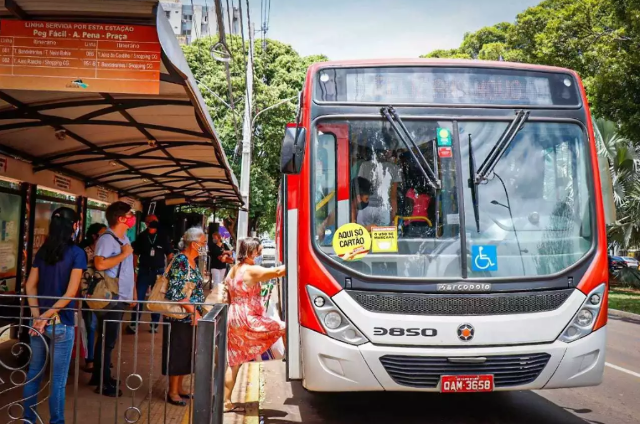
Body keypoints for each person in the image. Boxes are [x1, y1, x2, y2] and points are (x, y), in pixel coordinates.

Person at [23, 207, 87, 424]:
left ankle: (28, 420)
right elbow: (70, 293)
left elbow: (29, 285)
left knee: (34, 375)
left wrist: (37, 316)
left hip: (38, 325)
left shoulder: (42, 251)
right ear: (75, 226)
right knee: (57, 381)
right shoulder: (78, 253)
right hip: (62, 324)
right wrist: (47, 316)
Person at [224, 238, 286, 413]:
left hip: (234, 315)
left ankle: (226, 402)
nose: (260, 254)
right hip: (247, 316)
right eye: (259, 251)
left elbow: (229, 295)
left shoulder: (233, 270)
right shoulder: (250, 270)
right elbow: (277, 271)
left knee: (234, 362)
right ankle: (288, 361)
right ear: (251, 252)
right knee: (282, 328)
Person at [90, 201, 137, 397]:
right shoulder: (107, 240)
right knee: (106, 340)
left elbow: (127, 269)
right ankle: (102, 382)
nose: (133, 216)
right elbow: (99, 264)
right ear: (121, 218)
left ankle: (101, 376)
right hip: (110, 296)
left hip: (121, 296)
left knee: (108, 339)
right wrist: (124, 254)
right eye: (130, 214)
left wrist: (133, 292)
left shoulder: (123, 237)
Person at [162, 227, 206, 406]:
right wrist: (193, 311)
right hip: (179, 317)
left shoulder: (192, 261)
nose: (204, 246)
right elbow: (175, 292)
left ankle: (179, 388)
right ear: (194, 244)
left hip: (189, 317)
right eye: (202, 243)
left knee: (185, 352)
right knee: (177, 353)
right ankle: (172, 392)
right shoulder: (181, 260)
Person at [128, 215, 173, 334]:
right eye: (150, 222)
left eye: (155, 222)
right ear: (147, 223)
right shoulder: (142, 236)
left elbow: (170, 255)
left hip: (158, 272)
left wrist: (168, 272)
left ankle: (154, 324)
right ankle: (134, 323)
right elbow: (135, 254)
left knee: (156, 298)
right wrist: (133, 269)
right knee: (139, 297)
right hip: (144, 270)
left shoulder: (163, 236)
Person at [358, 132, 402, 226]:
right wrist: (394, 216)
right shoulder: (394, 168)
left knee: (364, 237)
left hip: (365, 209)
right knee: (382, 238)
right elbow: (393, 196)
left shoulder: (364, 166)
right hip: (383, 209)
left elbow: (359, 190)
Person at [79, 222, 107, 373]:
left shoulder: (106, 251)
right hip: (88, 293)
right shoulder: (84, 252)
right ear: (94, 236)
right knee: (91, 326)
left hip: (104, 293)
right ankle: (90, 359)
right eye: (102, 234)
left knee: (102, 327)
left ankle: (101, 358)